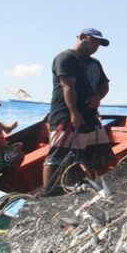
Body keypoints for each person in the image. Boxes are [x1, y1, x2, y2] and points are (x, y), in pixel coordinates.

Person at [42, 28, 114, 193]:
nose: (96, 46)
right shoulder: (66, 57)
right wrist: (74, 112)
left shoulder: (95, 63)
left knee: (101, 158)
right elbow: (67, 86)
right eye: (93, 41)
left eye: (99, 44)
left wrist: (97, 97)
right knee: (57, 159)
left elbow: (104, 84)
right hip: (66, 118)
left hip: (90, 118)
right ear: (82, 37)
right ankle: (48, 195)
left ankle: (104, 192)